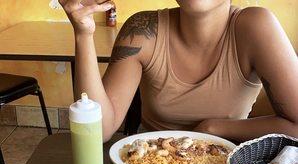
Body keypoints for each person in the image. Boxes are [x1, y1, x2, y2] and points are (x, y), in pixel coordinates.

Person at [59, 0, 298, 142]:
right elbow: (99, 131)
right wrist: (83, 33)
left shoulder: (256, 25)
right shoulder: (142, 30)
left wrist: (212, 128)